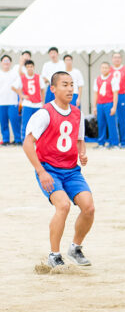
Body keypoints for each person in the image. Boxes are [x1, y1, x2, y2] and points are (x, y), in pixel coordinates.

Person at [22, 71, 94, 268]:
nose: (70, 88)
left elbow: (79, 139)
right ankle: (54, 255)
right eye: (65, 84)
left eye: (72, 84)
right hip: (49, 169)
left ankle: (75, 248)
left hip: (71, 170)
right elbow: (28, 144)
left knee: (89, 208)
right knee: (63, 205)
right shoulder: (44, 113)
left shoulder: (77, 113)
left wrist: (82, 153)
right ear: (53, 89)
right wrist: (41, 171)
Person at [12, 60, 46, 138]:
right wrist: (22, 95)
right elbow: (13, 87)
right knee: (26, 123)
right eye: (28, 67)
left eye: (31, 66)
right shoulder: (22, 78)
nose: (30, 68)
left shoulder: (38, 77)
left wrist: (43, 102)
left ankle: (38, 141)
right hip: (27, 104)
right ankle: (24, 140)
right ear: (25, 68)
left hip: (37, 104)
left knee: (39, 124)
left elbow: (43, 89)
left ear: (33, 67)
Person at [93, 62, 119, 149]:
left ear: (109, 69)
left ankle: (114, 143)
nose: (104, 69)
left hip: (109, 103)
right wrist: (94, 106)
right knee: (101, 124)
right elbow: (95, 94)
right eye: (103, 68)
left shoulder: (113, 79)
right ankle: (101, 143)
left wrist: (114, 106)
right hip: (100, 104)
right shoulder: (97, 79)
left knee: (111, 124)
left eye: (106, 68)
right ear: (100, 69)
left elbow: (115, 93)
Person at [111, 53, 125, 149]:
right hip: (111, 96)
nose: (117, 59)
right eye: (115, 57)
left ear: (121, 59)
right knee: (112, 119)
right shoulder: (109, 70)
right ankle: (113, 141)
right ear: (112, 59)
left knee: (122, 119)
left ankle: (123, 142)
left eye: (118, 57)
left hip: (122, 96)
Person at [0, 55, 23, 145]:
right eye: (4, 60)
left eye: (8, 60)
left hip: (13, 101)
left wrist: (20, 99)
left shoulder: (14, 74)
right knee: (3, 122)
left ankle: (18, 139)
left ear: (10, 63)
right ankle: (5, 140)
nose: (6, 62)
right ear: (1, 62)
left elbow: (19, 86)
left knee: (15, 121)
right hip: (1, 102)